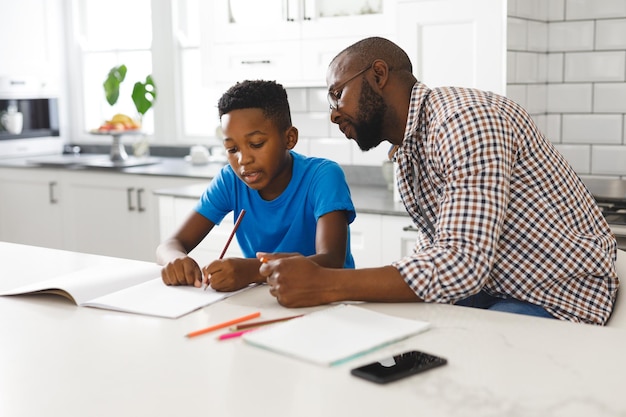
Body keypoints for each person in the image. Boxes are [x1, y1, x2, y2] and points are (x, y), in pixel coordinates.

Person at [258, 37, 619, 325]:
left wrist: (326, 285)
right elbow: (437, 257)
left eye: (338, 94)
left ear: (378, 75)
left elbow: (460, 264)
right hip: (495, 290)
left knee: (456, 370)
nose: (334, 113)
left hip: (558, 297)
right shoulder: (409, 149)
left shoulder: (464, 120)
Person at [157, 80, 356, 291]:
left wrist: (253, 270)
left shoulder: (323, 176)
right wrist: (175, 260)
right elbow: (170, 245)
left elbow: (331, 260)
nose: (243, 160)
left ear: (289, 138)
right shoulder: (231, 180)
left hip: (329, 298)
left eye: (256, 144)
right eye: (232, 149)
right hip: (266, 299)